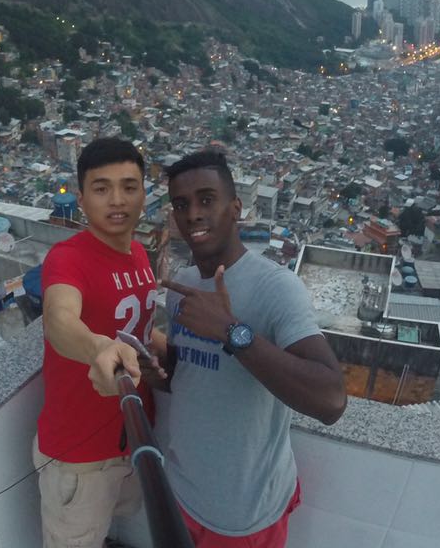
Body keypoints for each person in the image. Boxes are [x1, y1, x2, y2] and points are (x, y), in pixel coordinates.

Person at [161, 149, 346, 547]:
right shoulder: (181, 288)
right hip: (183, 490)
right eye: (182, 204)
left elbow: (331, 400)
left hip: (244, 514)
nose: (193, 213)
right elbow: (187, 374)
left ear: (236, 208)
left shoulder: (275, 287)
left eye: (206, 200)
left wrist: (231, 331)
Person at [35, 137, 161, 548]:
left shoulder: (140, 255)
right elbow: (59, 319)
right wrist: (97, 347)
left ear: (144, 194)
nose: (117, 200)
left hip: (130, 438)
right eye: (101, 188)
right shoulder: (68, 257)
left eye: (129, 186)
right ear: (82, 198)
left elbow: (140, 327)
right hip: (80, 457)